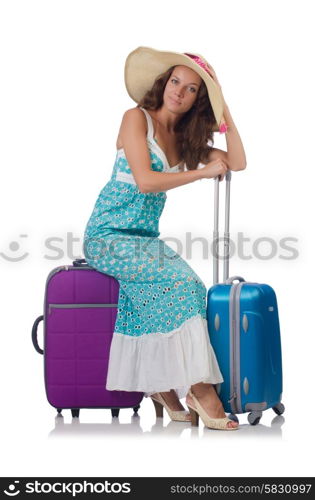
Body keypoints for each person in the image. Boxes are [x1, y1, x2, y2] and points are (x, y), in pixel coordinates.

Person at [83, 47, 246, 431]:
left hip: (144, 239)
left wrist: (224, 110)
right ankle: (200, 390)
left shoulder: (185, 138)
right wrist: (200, 174)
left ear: (197, 100)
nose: (179, 92)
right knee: (183, 284)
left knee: (175, 290)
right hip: (108, 236)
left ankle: (161, 390)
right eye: (176, 82)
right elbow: (146, 180)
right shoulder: (135, 118)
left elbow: (237, 161)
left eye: (191, 89)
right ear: (164, 83)